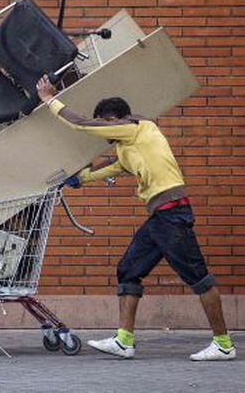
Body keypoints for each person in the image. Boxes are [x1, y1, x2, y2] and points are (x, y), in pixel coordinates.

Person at [36, 75, 236, 361]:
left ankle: (223, 344)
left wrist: (50, 100)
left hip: (172, 214)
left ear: (115, 118)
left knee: (199, 279)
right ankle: (124, 341)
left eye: (105, 124)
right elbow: (109, 168)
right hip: (159, 219)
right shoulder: (129, 148)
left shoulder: (138, 127)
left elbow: (83, 124)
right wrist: (77, 178)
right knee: (128, 270)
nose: (104, 133)